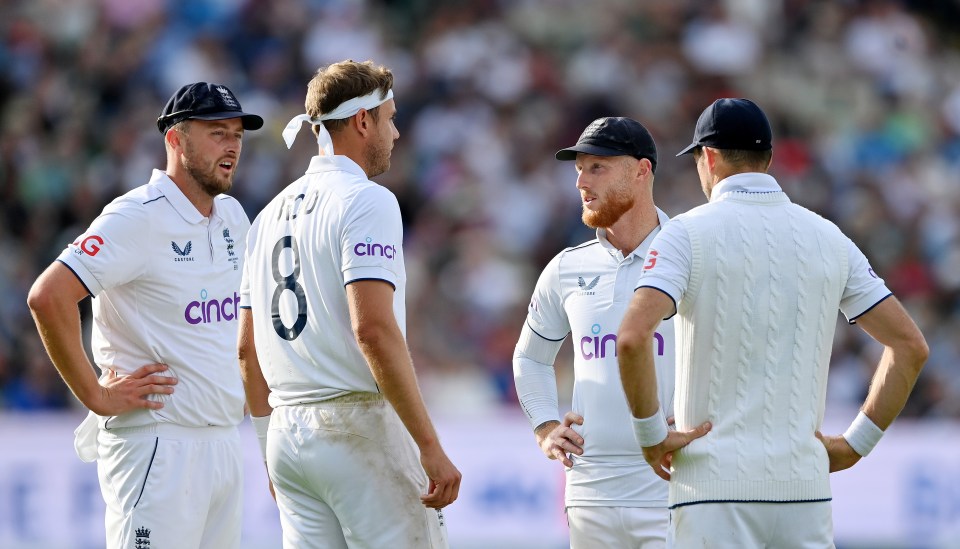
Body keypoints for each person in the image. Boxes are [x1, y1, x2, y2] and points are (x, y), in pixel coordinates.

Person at [617, 98, 928, 547]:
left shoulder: (684, 233)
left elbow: (631, 338)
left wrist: (651, 437)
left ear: (708, 157)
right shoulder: (828, 237)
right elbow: (910, 347)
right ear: (768, 158)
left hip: (710, 491)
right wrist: (856, 443)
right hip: (804, 493)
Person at [26, 82, 263, 548]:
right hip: (158, 443)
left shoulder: (235, 216)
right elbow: (47, 296)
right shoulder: (137, 216)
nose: (232, 145)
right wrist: (96, 395)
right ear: (175, 139)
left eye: (237, 134)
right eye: (217, 132)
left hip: (223, 443)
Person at [237, 59, 461, 549]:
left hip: (287, 435)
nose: (397, 134)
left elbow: (246, 351)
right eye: (390, 118)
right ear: (363, 121)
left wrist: (266, 452)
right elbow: (373, 331)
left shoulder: (266, 215)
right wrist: (429, 446)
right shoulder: (368, 200)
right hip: (356, 426)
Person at [512, 117, 703, 548]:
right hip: (589, 496)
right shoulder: (566, 266)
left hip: (674, 490)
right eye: (579, 168)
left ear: (641, 170)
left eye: (597, 167)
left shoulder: (693, 253)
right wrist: (544, 427)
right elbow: (530, 358)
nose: (581, 181)